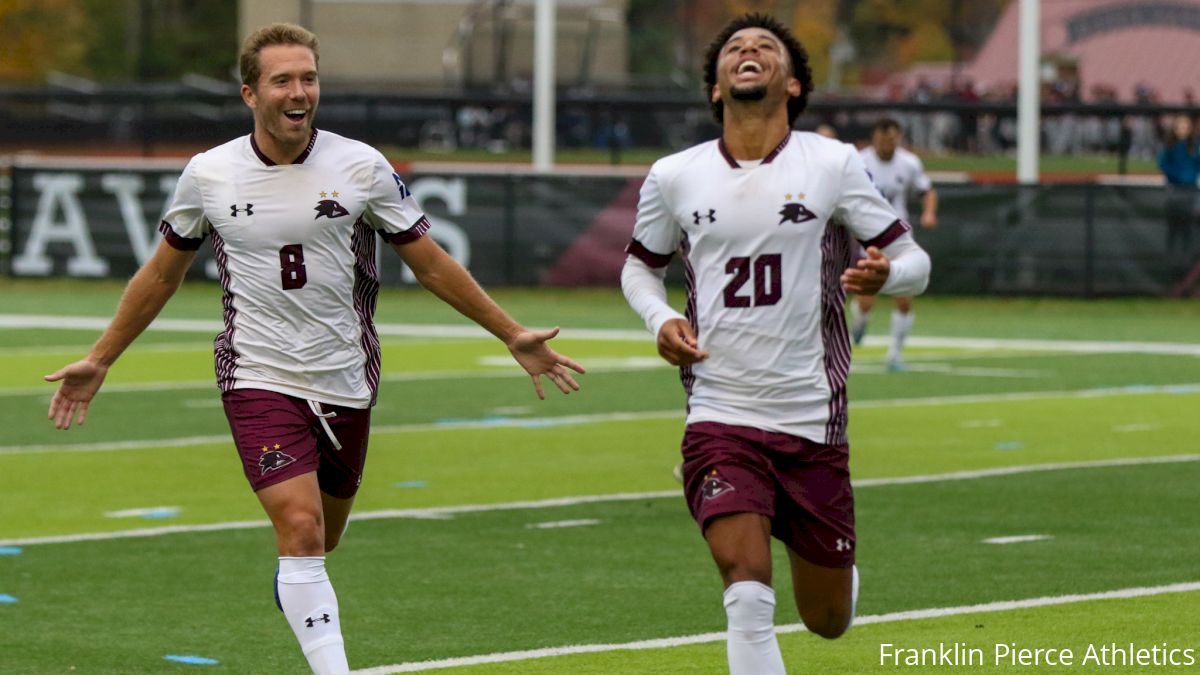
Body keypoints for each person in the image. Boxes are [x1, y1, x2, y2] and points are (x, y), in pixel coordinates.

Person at [43, 23, 584, 675]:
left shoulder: (360, 165)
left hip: (346, 376)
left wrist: (510, 332)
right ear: (250, 93)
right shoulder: (209, 173)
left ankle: (298, 581)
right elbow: (161, 274)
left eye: (309, 78)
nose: (300, 92)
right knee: (298, 528)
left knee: (321, 539)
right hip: (257, 371)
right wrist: (100, 357)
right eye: (283, 80)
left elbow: (433, 264)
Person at [621, 13, 929, 675]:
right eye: (734, 47)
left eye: (765, 46)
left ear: (793, 84)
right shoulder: (674, 174)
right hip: (719, 412)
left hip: (811, 415)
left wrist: (888, 272)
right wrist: (658, 320)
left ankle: (827, 560)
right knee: (748, 589)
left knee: (827, 620)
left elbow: (915, 260)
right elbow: (638, 267)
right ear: (715, 87)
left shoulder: (834, 163)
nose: (749, 51)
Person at [850, 117, 938, 371]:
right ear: (874, 138)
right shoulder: (858, 160)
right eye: (882, 139)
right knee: (866, 300)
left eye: (892, 139)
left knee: (904, 298)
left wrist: (929, 213)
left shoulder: (909, 163)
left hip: (899, 238)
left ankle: (895, 354)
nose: (887, 144)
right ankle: (860, 321)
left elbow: (927, 190)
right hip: (868, 237)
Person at [1157, 114, 1200, 261]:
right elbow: (1163, 163)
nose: (1182, 129)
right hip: (1174, 191)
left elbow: (1197, 164)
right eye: (1179, 126)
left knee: (1189, 227)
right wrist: (1177, 176)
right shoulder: (1169, 145)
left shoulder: (1195, 145)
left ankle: (1186, 262)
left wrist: (1190, 177)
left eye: (1185, 126)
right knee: (1173, 227)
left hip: (1191, 191)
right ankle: (1171, 259)